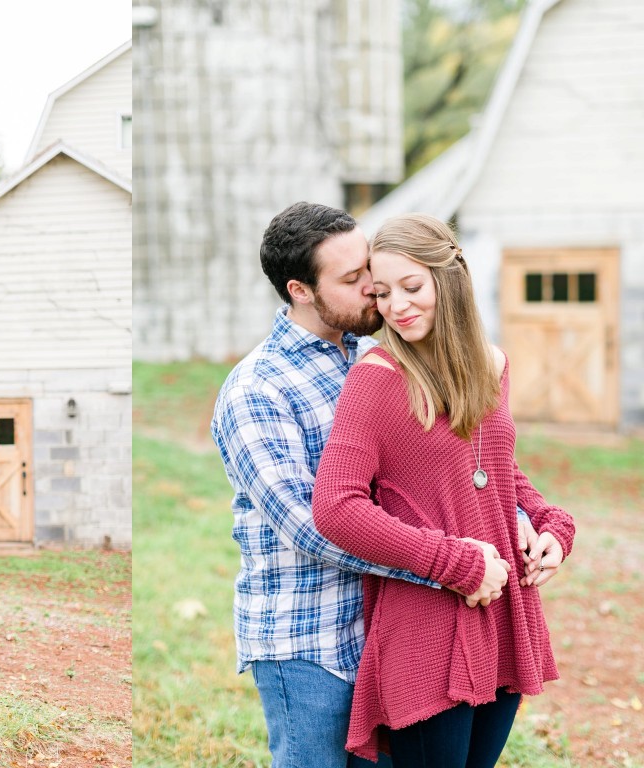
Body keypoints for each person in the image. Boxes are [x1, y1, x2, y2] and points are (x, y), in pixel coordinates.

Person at [211, 202, 547, 768]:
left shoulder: (392, 351)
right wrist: (455, 562)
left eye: (374, 272)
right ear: (299, 290)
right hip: (310, 638)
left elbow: (467, 465)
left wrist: (531, 521)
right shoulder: (257, 389)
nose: (376, 292)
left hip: (398, 623)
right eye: (355, 280)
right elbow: (313, 527)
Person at [311, 213, 575, 767]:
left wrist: (552, 523)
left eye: (412, 287)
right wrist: (454, 562)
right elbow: (336, 507)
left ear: (450, 279)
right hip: (428, 618)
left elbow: (494, 466)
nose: (396, 307)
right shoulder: (378, 377)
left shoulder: (493, 365)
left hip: (504, 610)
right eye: (382, 293)